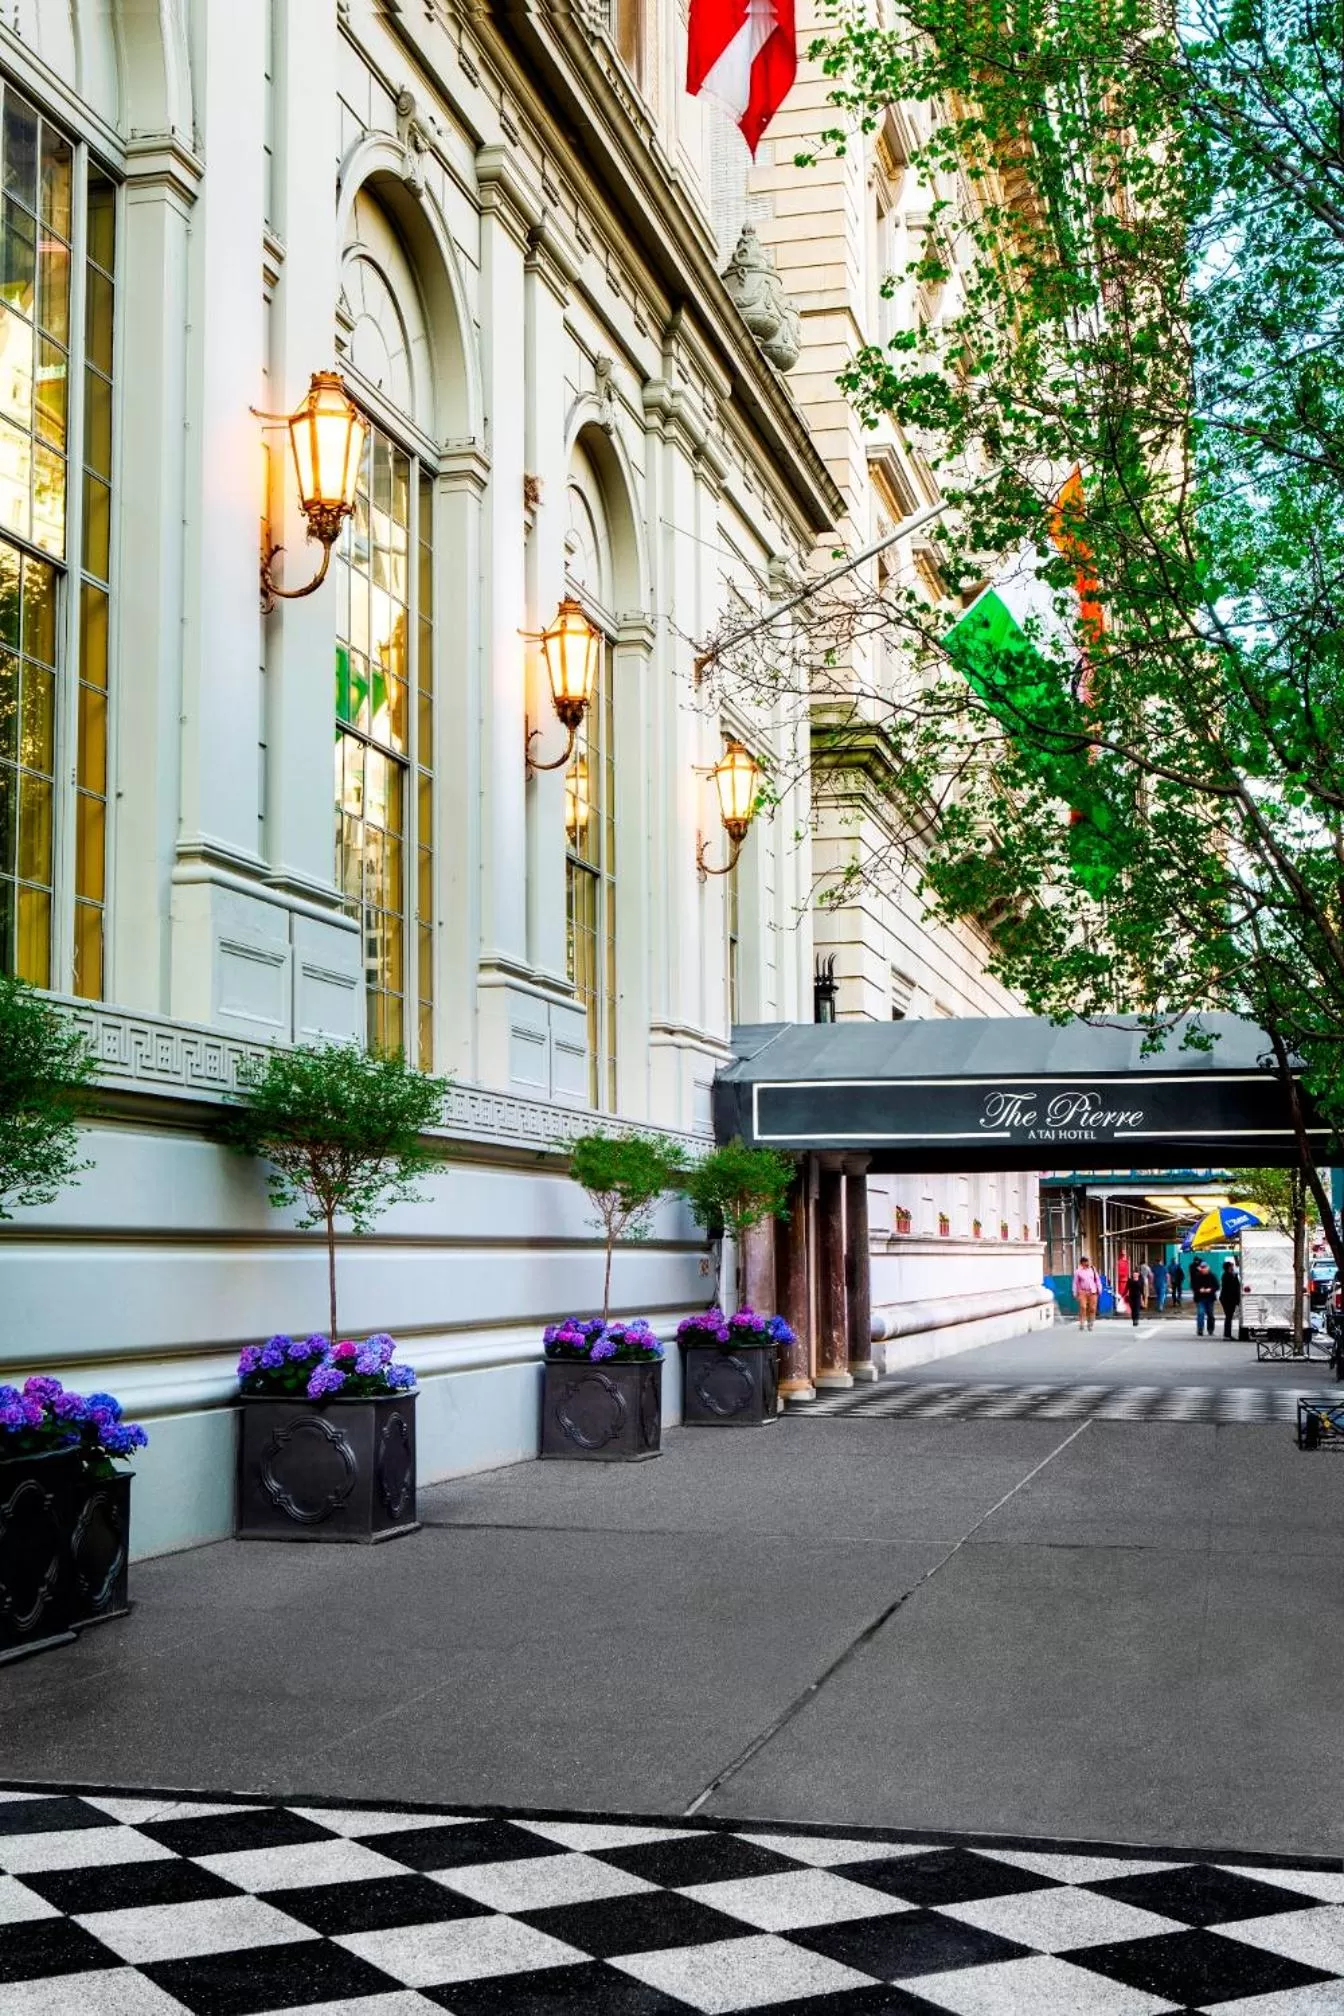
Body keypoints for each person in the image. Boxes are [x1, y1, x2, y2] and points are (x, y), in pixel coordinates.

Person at [1073, 1254, 1102, 1331]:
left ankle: (1090, 1323)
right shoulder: (1078, 1271)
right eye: (1086, 1261)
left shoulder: (1092, 1269)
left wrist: (1100, 1289)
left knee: (1092, 1308)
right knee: (1083, 1307)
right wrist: (1075, 1292)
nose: (1088, 1263)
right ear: (1082, 1263)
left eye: (1088, 1261)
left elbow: (1097, 1280)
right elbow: (1075, 1283)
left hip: (1093, 1292)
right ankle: (1082, 1322)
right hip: (1082, 1292)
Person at [1191, 1259, 1218, 1337]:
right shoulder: (1197, 1276)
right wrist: (1199, 1290)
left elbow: (1216, 1286)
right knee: (1201, 1313)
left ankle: (1210, 1329)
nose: (1203, 1269)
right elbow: (1194, 1286)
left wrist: (1210, 1289)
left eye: (1205, 1267)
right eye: (1202, 1267)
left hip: (1210, 1297)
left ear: (1208, 1268)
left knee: (1210, 1314)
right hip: (1200, 1298)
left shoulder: (1212, 1276)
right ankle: (1200, 1329)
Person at [1219, 1258, 1241, 1340]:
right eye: (1232, 1266)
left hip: (1227, 1299)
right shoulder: (1228, 1276)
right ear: (1229, 1267)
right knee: (1228, 1316)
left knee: (1229, 1316)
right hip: (1228, 1299)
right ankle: (1227, 1335)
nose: (1233, 1267)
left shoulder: (1228, 1275)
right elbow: (1234, 1288)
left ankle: (1227, 1334)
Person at [1125, 1259, 1146, 1327]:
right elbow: (1127, 1288)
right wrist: (1124, 1294)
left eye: (1136, 1274)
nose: (1135, 1275)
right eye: (1134, 1274)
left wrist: (1143, 1296)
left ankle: (1136, 1320)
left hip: (1137, 1296)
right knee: (1133, 1308)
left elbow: (1142, 1288)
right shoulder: (1130, 1280)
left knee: (1136, 1308)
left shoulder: (1140, 1280)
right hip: (1131, 1296)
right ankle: (1134, 1319)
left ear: (1138, 1274)